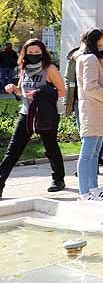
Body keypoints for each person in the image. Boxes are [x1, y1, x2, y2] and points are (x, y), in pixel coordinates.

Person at [0, 39, 67, 198]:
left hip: (45, 114)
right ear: (25, 54)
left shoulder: (49, 69)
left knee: (50, 148)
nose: (34, 55)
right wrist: (13, 88)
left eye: (37, 53)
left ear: (43, 53)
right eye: (30, 53)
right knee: (12, 151)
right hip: (26, 114)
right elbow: (22, 91)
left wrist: (40, 94)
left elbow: (62, 91)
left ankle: (58, 179)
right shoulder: (23, 69)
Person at [76, 29, 103, 201]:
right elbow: (90, 86)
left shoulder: (94, 58)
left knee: (95, 153)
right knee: (88, 152)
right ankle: (84, 191)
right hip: (94, 110)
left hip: (99, 111)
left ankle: (93, 188)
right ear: (96, 40)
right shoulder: (90, 59)